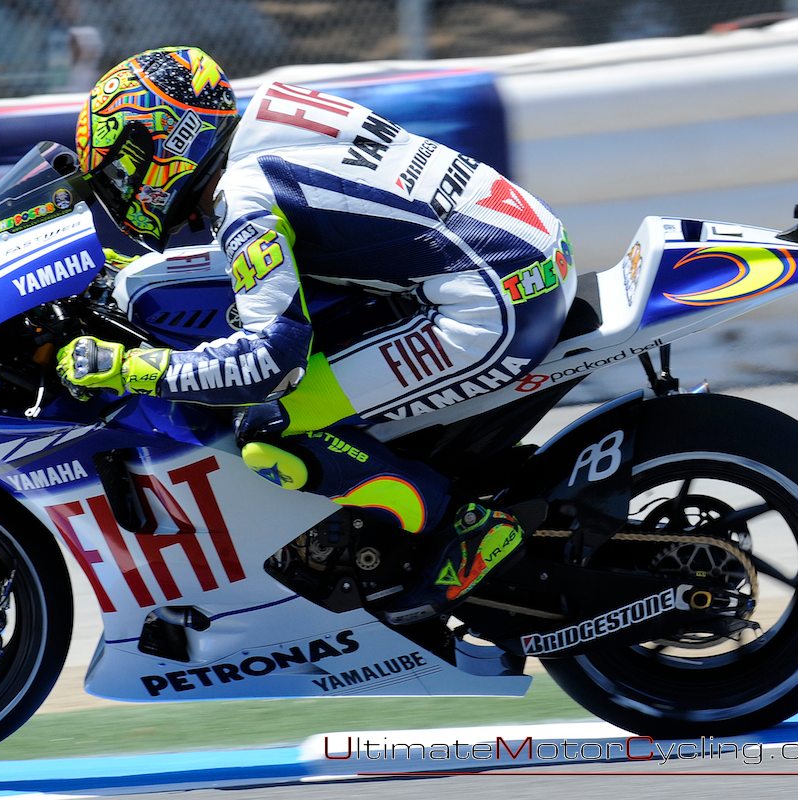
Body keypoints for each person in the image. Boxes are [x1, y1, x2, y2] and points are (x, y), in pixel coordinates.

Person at [57, 47, 574, 625]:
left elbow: (270, 362)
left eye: (121, 171)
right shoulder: (273, 113)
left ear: (169, 140)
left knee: (267, 425)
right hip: (523, 247)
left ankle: (463, 527)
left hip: (489, 306)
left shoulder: (243, 195)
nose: (121, 190)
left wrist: (129, 368)